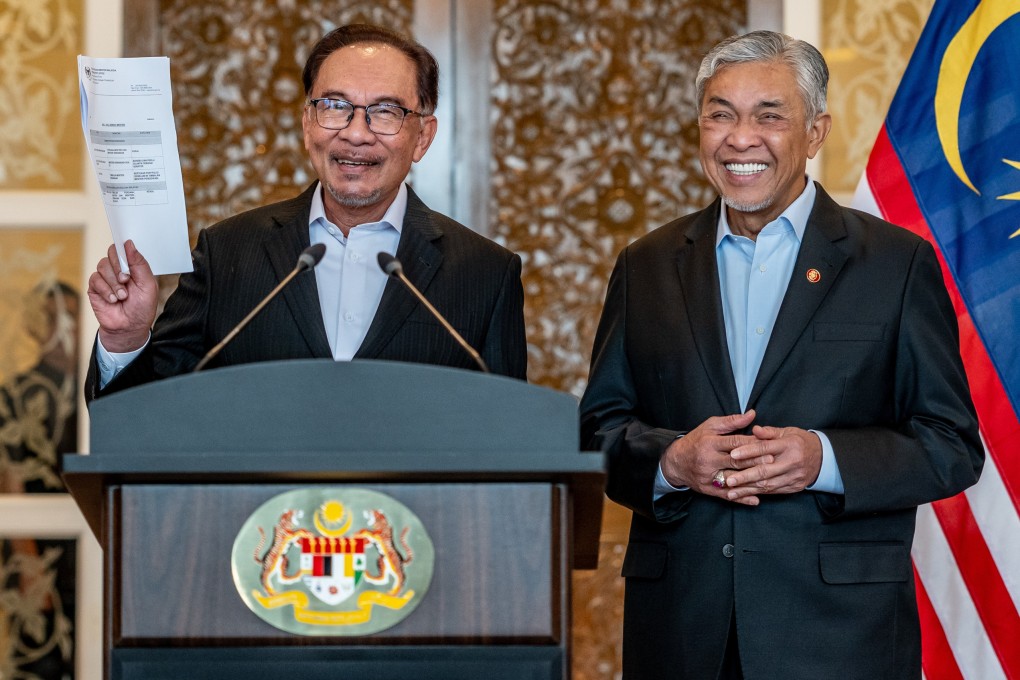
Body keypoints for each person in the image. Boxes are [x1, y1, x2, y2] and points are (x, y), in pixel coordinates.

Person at [579, 31, 983, 679]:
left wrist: (822, 459)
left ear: (815, 132)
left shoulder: (895, 264)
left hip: (838, 638)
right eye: (720, 114)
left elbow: (952, 445)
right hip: (683, 631)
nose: (741, 138)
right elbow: (597, 430)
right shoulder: (646, 265)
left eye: (769, 115)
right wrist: (671, 462)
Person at [85, 23, 526, 398]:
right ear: (307, 123)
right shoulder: (227, 253)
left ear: (423, 137)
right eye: (334, 107)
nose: (356, 133)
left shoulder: (485, 275)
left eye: (385, 112)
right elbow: (151, 420)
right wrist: (125, 339)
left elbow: (507, 437)